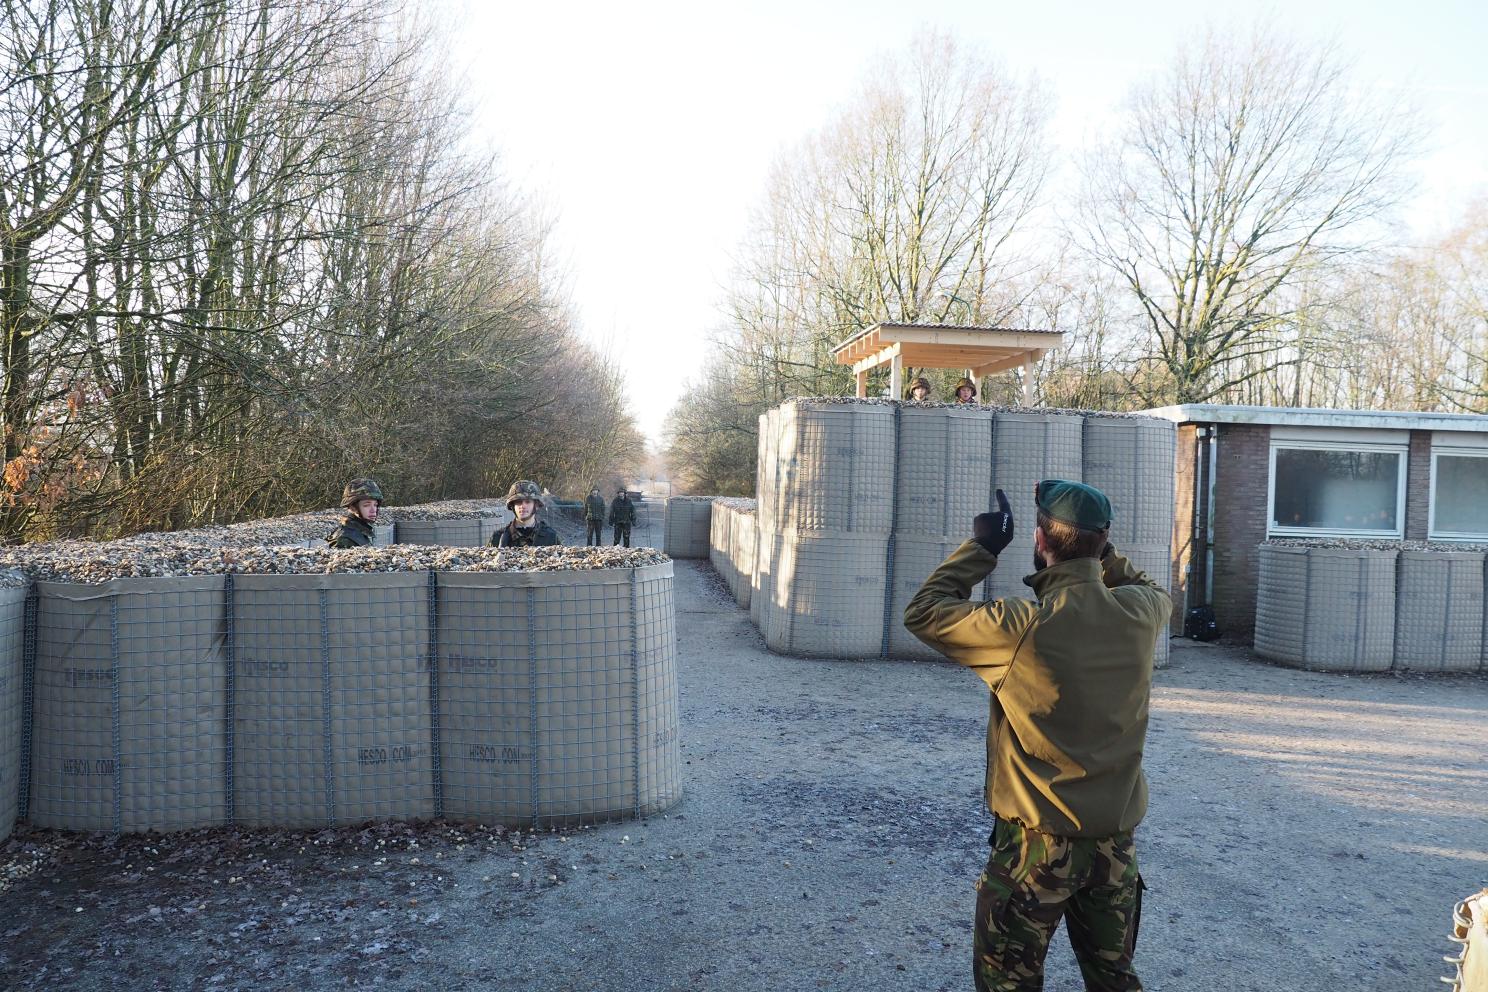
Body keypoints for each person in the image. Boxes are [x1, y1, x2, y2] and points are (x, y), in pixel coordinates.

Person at [903, 480, 1170, 992]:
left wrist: (982, 547)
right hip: (1114, 848)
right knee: (1114, 979)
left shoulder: (1020, 624)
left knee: (1009, 983)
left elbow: (924, 611)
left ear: (1039, 540)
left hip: (1035, 850)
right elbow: (1147, 587)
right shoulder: (1142, 612)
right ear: (1103, 540)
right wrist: (1098, 552)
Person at [492, 479, 560, 548]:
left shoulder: (550, 537)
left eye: (527, 502)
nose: (522, 506)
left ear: (536, 505)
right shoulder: (498, 537)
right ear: (512, 506)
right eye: (518, 502)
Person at [326, 478, 383, 549]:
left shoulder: (360, 531)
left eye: (375, 505)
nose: (373, 510)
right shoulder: (344, 538)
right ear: (352, 507)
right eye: (366, 505)